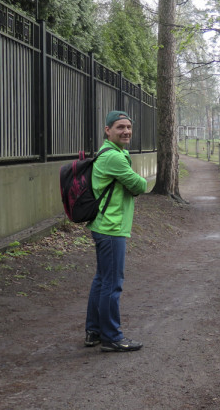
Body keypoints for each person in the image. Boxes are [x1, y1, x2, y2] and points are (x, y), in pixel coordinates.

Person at [84, 110, 148, 352]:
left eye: (129, 127)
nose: (126, 131)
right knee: (112, 283)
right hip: (111, 228)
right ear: (107, 130)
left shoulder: (114, 152)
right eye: (120, 127)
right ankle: (112, 336)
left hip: (104, 225)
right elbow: (140, 185)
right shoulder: (115, 157)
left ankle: (94, 331)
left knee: (102, 280)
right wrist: (135, 182)